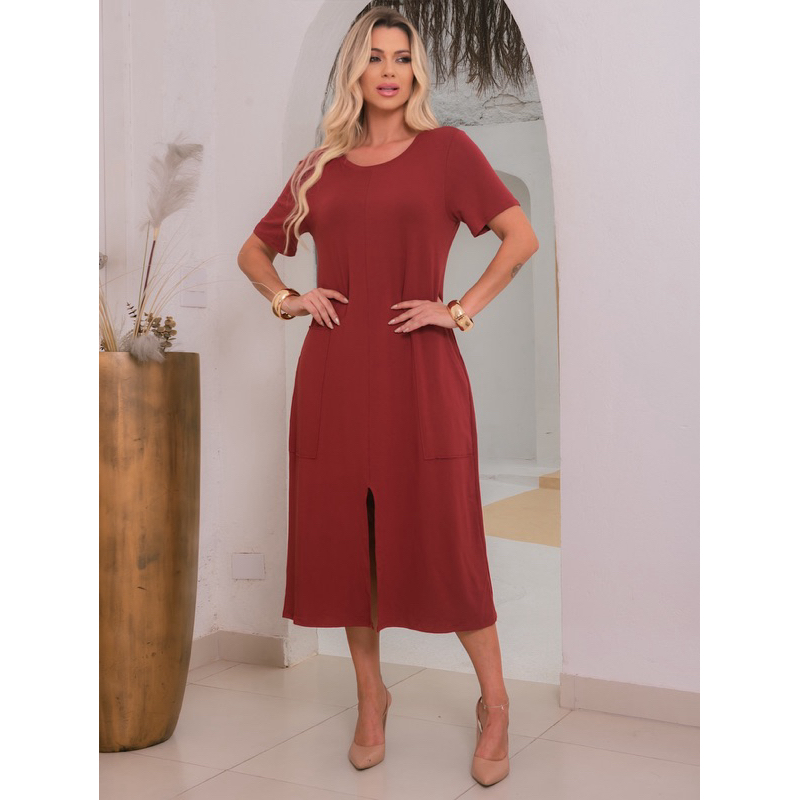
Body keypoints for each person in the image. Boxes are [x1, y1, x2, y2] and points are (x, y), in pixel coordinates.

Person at [237, 6, 538, 787]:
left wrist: (459, 308)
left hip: (420, 374)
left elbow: (520, 238)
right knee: (349, 544)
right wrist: (288, 299)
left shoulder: (447, 152)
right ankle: (371, 699)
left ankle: (496, 703)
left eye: (402, 57)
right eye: (374, 56)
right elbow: (254, 252)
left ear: (416, 71)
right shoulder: (319, 167)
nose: (390, 70)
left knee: (448, 540)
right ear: (355, 70)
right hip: (334, 377)